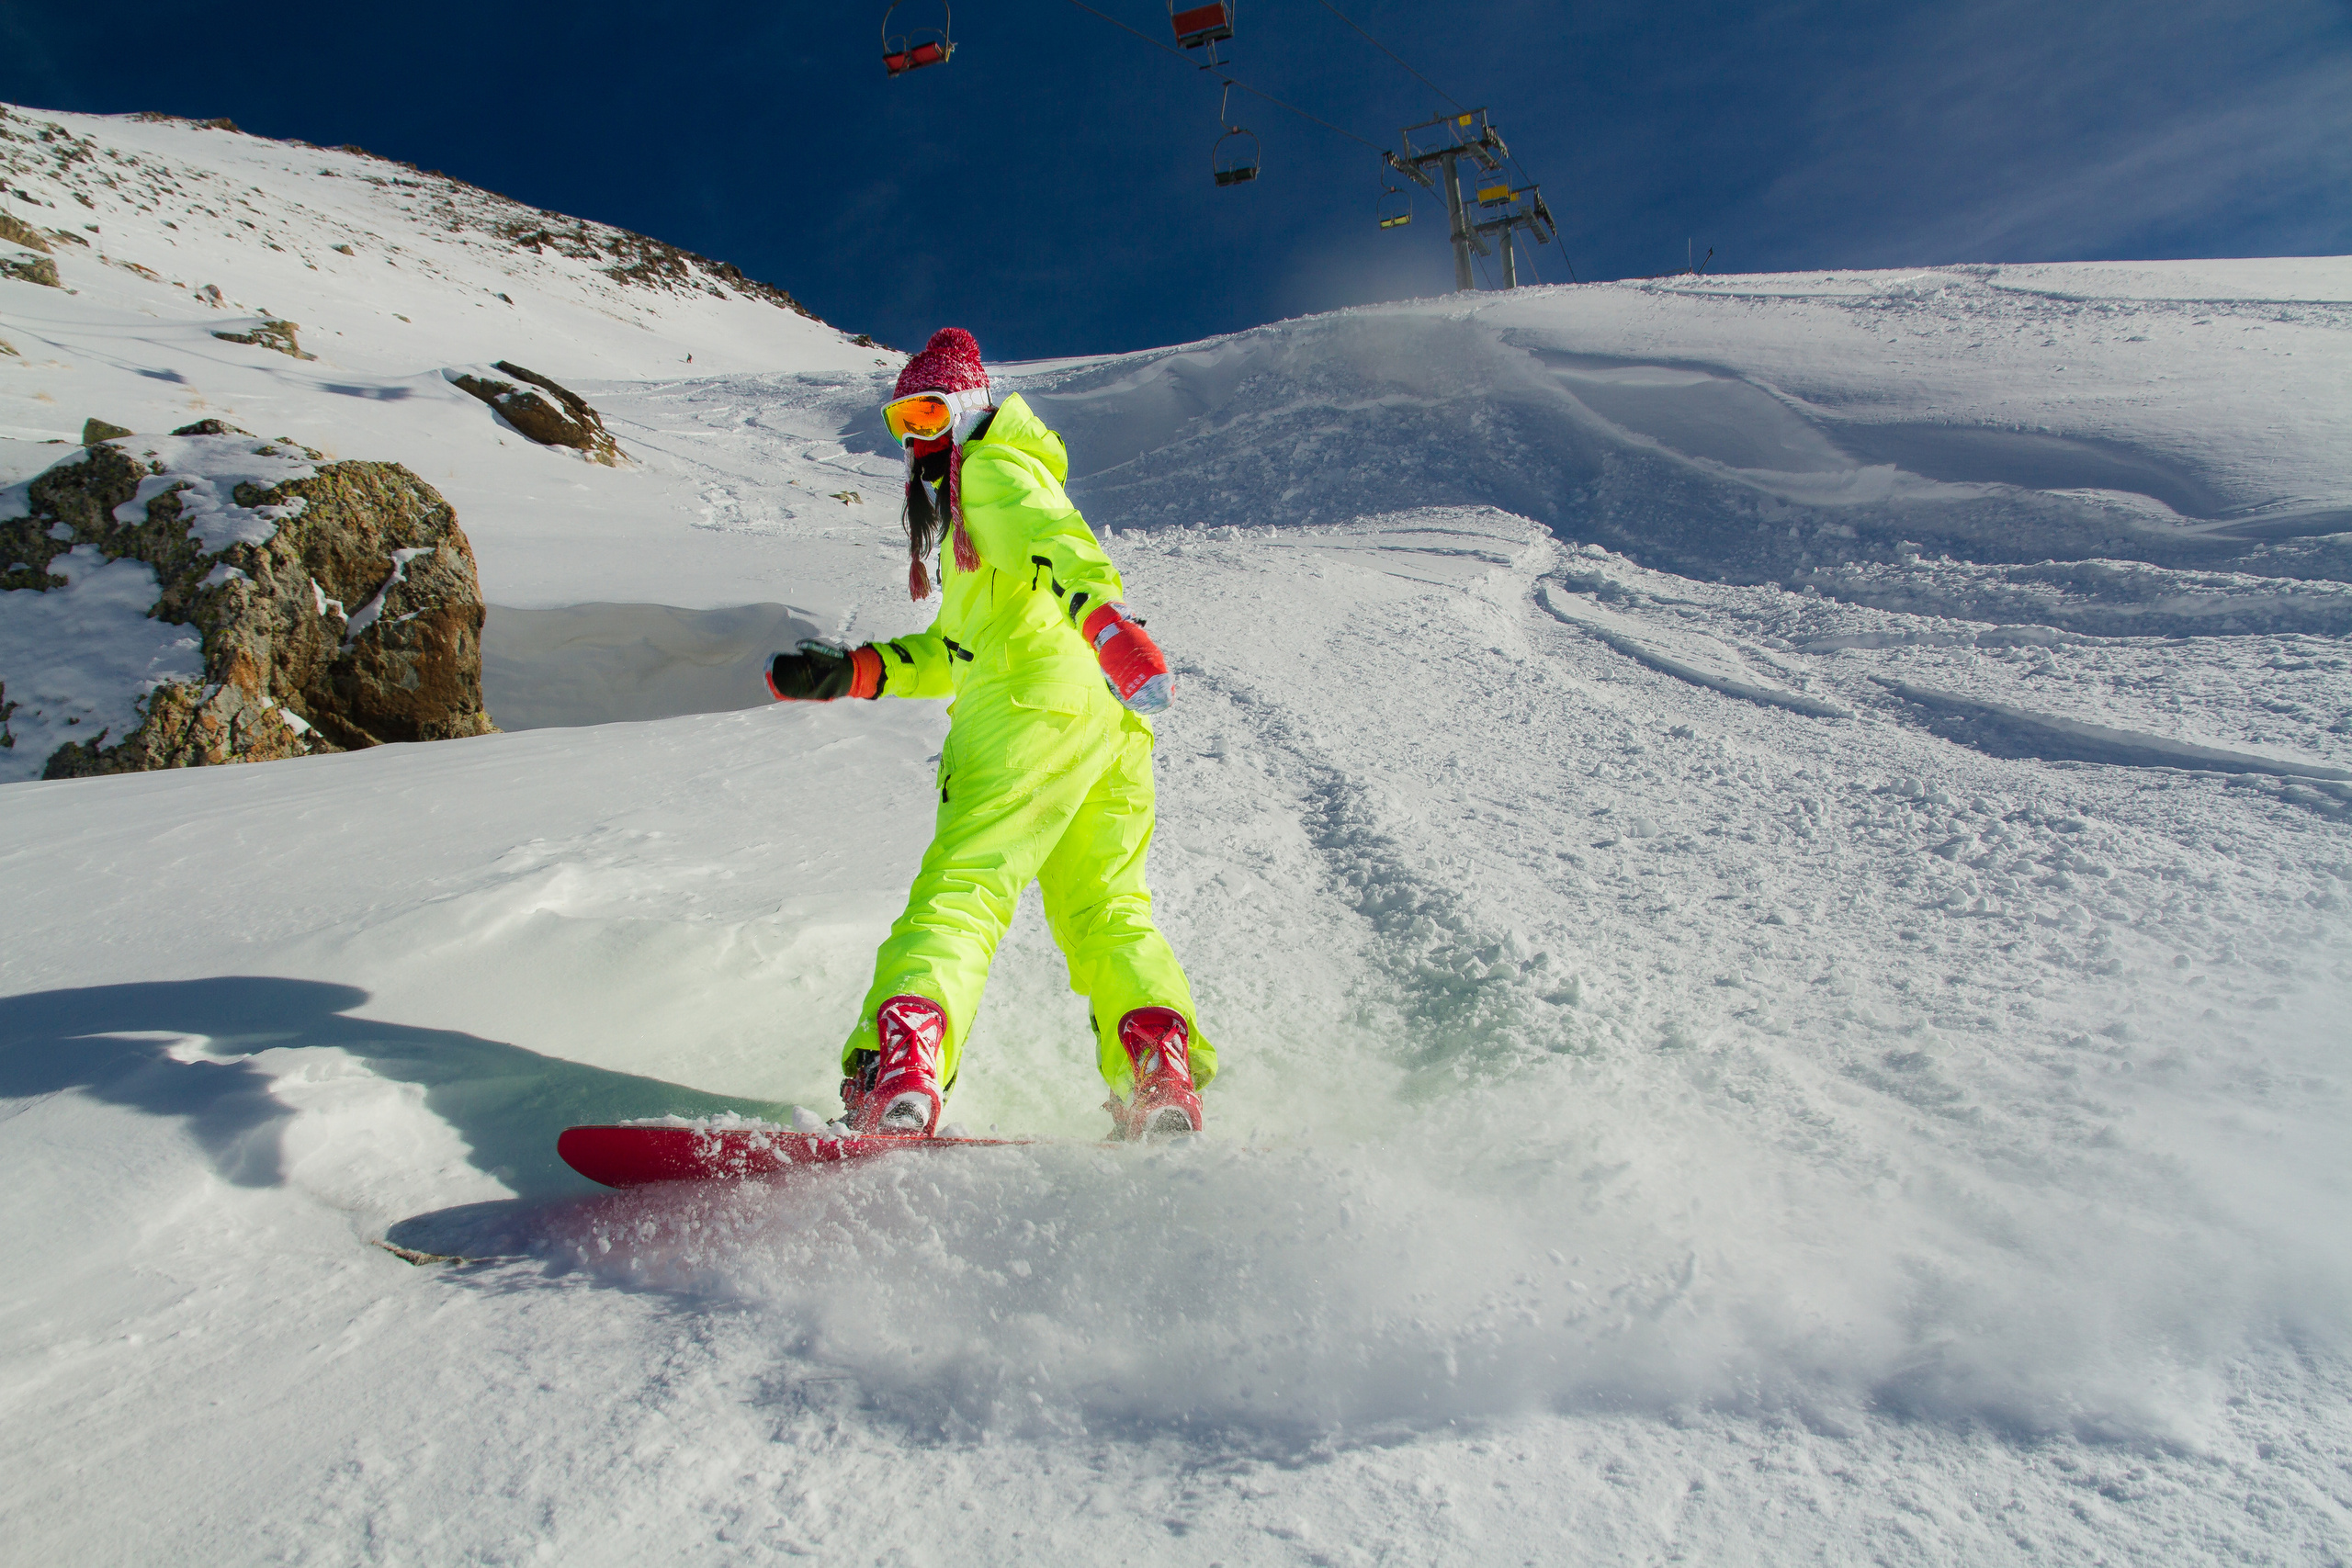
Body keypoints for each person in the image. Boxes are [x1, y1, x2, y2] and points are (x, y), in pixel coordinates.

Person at [764, 328, 1215, 1141]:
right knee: (1108, 909)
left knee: (964, 890)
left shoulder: (991, 472)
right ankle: (1158, 1071)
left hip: (1026, 717)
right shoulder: (988, 501)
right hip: (1103, 724)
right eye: (901, 423)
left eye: (929, 414)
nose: (916, 440)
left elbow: (1059, 544)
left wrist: (1107, 620)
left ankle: (902, 1071)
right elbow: (956, 650)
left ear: (969, 407)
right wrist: (858, 670)